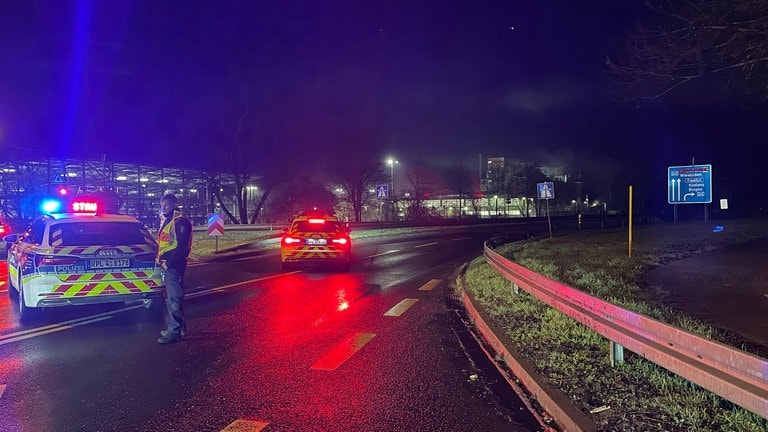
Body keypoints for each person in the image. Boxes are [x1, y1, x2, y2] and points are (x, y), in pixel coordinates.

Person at [156, 193, 192, 344]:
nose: (164, 207)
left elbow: (182, 248)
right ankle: (180, 329)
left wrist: (168, 263)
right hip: (169, 264)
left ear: (174, 204)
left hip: (174, 265)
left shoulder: (180, 221)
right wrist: (160, 257)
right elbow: (167, 243)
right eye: (162, 204)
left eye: (167, 204)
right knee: (173, 298)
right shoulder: (168, 220)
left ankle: (174, 332)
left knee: (174, 299)